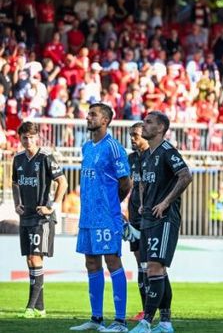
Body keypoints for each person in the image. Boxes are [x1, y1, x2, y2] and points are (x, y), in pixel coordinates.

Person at [129, 111, 193, 333]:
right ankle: (165, 323)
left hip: (164, 219)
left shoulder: (167, 151)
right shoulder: (146, 155)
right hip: (147, 217)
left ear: (160, 128)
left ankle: (146, 321)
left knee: (155, 267)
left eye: (148, 123)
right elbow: (142, 183)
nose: (144, 126)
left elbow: (186, 175)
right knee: (155, 270)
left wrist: (165, 202)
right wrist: (142, 202)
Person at [70, 103, 132, 332]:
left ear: (105, 120)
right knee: (91, 263)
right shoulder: (86, 147)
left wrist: (112, 205)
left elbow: (126, 182)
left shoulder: (113, 147)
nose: (88, 117)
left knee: (112, 261)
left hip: (107, 216)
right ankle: (96, 319)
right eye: (88, 113)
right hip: (87, 217)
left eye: (93, 114)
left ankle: (120, 321)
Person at [13, 121, 68, 319]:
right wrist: (16, 203)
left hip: (42, 217)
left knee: (35, 259)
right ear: (20, 138)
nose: (28, 140)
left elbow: (62, 181)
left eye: (31, 137)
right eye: (24, 137)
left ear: (37, 137)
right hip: (25, 216)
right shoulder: (18, 159)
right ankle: (40, 308)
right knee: (30, 261)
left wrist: (52, 206)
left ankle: (29, 307)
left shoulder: (46, 157)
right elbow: (15, 183)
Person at [127, 123, 149, 322]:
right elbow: (128, 186)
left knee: (151, 263)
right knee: (139, 261)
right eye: (130, 135)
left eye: (135, 135)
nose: (132, 139)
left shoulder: (153, 156)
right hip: (134, 215)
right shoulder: (131, 158)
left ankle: (153, 310)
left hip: (150, 216)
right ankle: (145, 310)